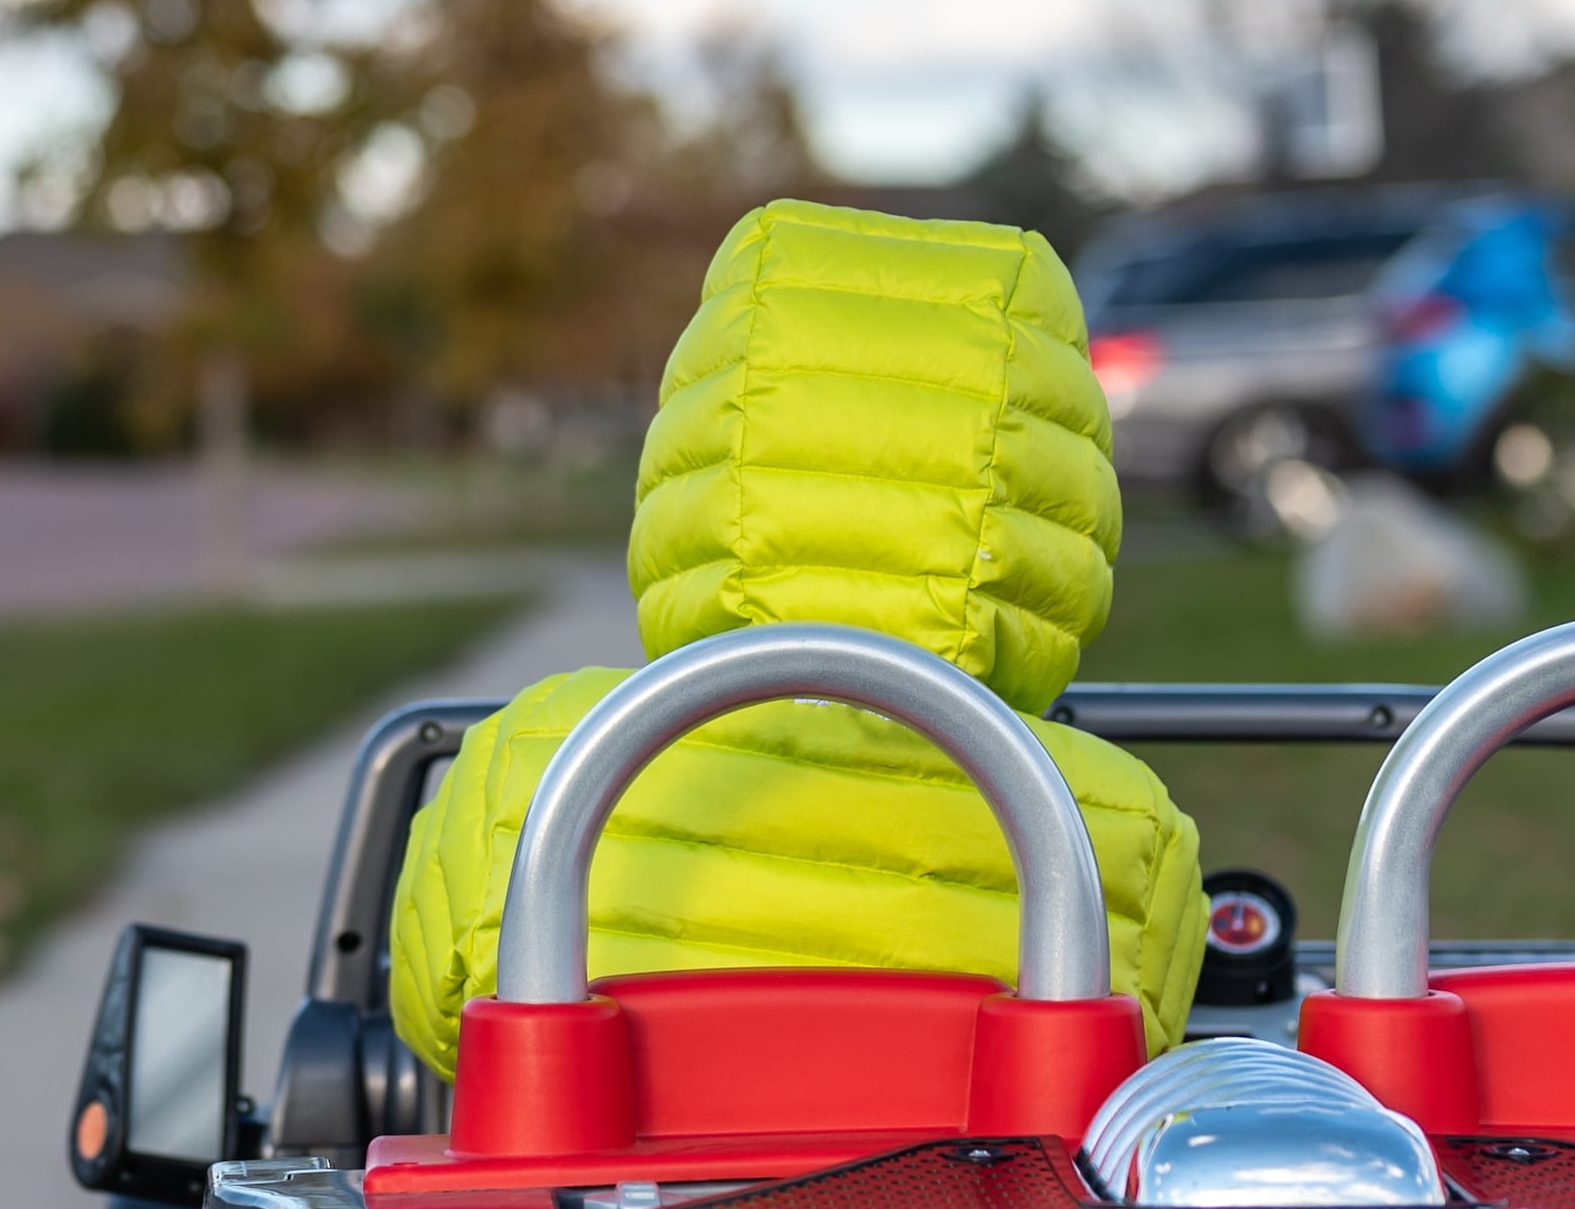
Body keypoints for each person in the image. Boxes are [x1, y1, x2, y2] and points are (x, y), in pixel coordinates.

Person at [389, 200, 1207, 1067]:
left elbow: (445, 1031)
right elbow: (1129, 1073)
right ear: (1061, 503)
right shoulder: (1107, 826)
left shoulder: (541, 768)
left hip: (607, 1204)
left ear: (696, 457)